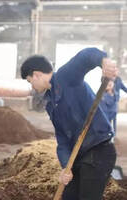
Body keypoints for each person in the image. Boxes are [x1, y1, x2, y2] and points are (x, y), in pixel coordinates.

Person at [20, 48, 117, 200]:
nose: (31, 86)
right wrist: (66, 167)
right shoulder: (51, 104)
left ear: (37, 74)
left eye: (29, 81)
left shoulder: (65, 77)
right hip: (77, 156)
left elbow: (84, 57)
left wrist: (103, 61)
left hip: (98, 150)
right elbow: (63, 140)